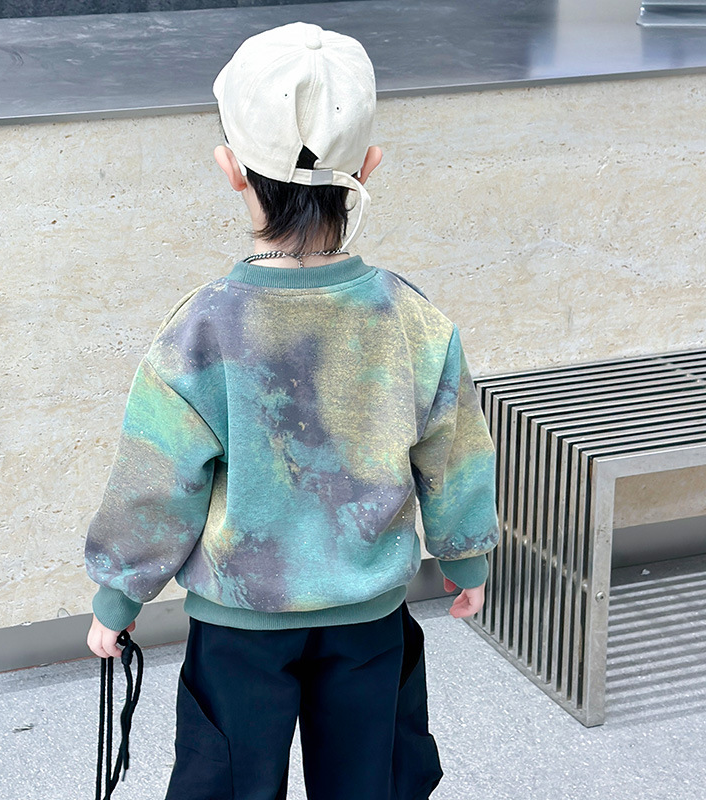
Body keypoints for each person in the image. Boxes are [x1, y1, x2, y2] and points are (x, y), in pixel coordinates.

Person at [85, 21, 499, 800]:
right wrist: (464, 556)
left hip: (239, 624)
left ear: (231, 169)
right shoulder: (412, 321)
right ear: (368, 167)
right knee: (369, 781)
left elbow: (156, 481)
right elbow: (455, 453)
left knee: (231, 784)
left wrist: (120, 596)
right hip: (368, 617)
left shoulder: (201, 329)